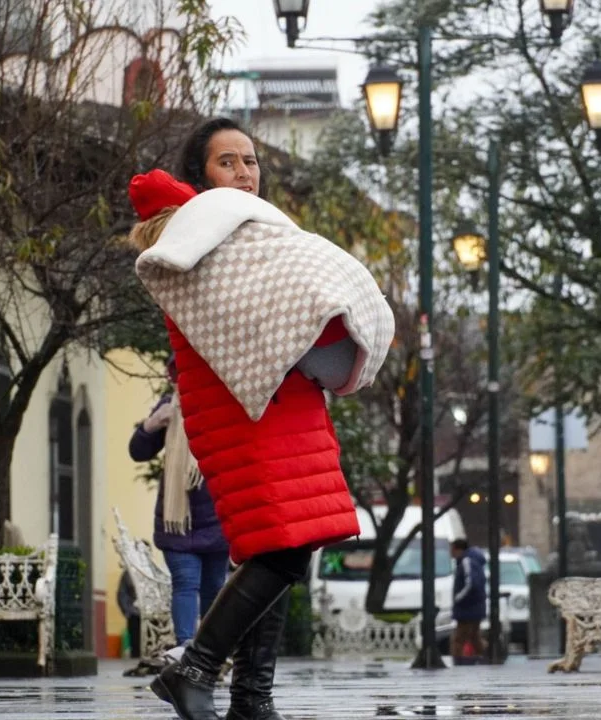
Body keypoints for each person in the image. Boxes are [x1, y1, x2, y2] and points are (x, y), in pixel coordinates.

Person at [126, 117, 395, 720]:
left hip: (280, 403)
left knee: (283, 547)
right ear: (200, 177)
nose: (245, 173)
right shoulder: (199, 237)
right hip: (246, 409)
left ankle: (252, 696)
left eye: (250, 161)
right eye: (228, 162)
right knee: (282, 549)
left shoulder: (237, 233)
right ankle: (194, 669)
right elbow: (270, 318)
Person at [128, 357, 230, 654]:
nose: (178, 379)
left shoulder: (223, 406)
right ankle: (186, 650)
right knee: (185, 582)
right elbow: (138, 452)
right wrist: (151, 425)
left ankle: (210, 654)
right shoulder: (169, 407)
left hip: (217, 517)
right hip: (177, 519)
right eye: (176, 373)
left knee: (214, 588)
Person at [449, 539, 489, 666]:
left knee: (459, 638)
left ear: (457, 549)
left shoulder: (467, 561)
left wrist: (458, 598)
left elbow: (471, 584)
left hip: (467, 608)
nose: (450, 552)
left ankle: (457, 661)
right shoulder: (472, 561)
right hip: (475, 607)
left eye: (452, 549)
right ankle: (487, 656)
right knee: (474, 637)